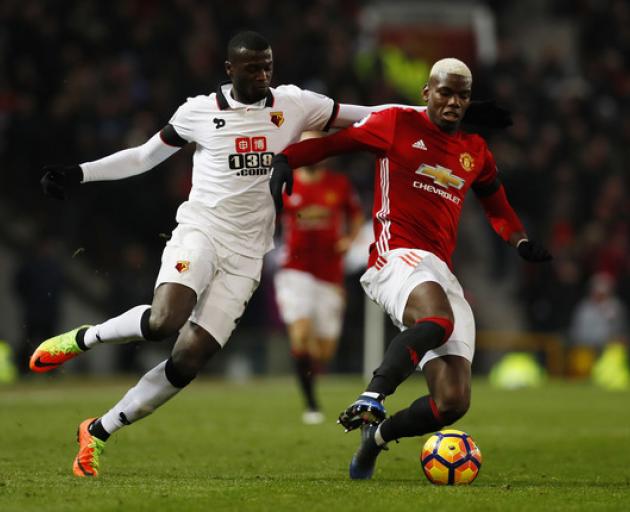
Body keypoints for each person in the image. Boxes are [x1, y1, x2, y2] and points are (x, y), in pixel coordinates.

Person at [29, 29, 511, 478]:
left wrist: (440, 113)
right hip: (201, 231)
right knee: (164, 322)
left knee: (190, 359)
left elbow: (370, 114)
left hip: (249, 252)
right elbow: (141, 157)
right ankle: (83, 340)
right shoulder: (196, 111)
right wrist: (80, 173)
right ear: (229, 69)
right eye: (253, 69)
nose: (263, 76)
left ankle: (97, 431)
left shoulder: (296, 104)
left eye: (268, 67)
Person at [270, 57, 551, 479]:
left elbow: (497, 205)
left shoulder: (475, 151)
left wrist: (520, 240)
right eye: (445, 92)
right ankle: (373, 394)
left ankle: (377, 437)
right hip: (394, 254)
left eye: (462, 95)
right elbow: (335, 143)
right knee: (437, 318)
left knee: (452, 402)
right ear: (426, 93)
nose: (453, 101)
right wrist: (286, 159)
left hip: (439, 268)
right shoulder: (397, 123)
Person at [274, 138, 364, 424]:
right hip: (295, 271)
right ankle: (311, 404)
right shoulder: (287, 184)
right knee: (300, 335)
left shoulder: (338, 185)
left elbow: (356, 214)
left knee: (324, 352)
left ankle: (309, 363)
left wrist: (349, 239)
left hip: (330, 275)